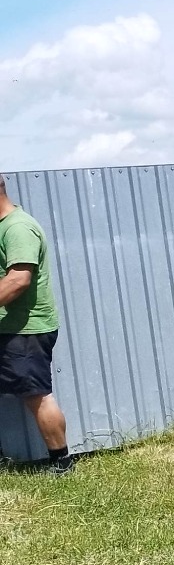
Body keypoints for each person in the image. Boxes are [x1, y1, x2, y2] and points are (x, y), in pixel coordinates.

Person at [0, 173, 70, 473]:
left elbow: (18, 280)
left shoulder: (18, 228)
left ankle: (62, 463)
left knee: (36, 394)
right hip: (8, 326)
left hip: (26, 329)